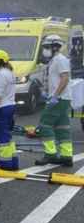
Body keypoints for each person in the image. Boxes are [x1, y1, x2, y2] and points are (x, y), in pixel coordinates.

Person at [35, 35, 73, 167]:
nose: (45, 50)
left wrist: (55, 96)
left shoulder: (60, 59)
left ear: (55, 47)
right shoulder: (54, 60)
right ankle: (66, 156)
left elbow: (65, 78)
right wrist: (47, 93)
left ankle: (50, 154)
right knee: (62, 128)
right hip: (61, 98)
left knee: (45, 125)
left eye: (47, 47)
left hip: (59, 98)